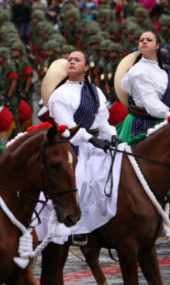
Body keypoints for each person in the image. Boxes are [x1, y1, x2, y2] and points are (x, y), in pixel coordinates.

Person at [46, 51, 120, 245]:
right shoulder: (59, 94)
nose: (71, 62)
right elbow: (68, 126)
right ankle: (76, 228)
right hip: (72, 147)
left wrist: (112, 136)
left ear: (86, 67)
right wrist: (91, 140)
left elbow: (103, 122)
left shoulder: (96, 91)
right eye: (69, 60)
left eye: (77, 60)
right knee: (81, 179)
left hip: (95, 143)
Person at [117, 31, 170, 142]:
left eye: (149, 40)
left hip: (164, 120)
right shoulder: (137, 71)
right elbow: (152, 104)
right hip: (142, 125)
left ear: (158, 45)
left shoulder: (168, 71)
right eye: (141, 40)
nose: (144, 42)